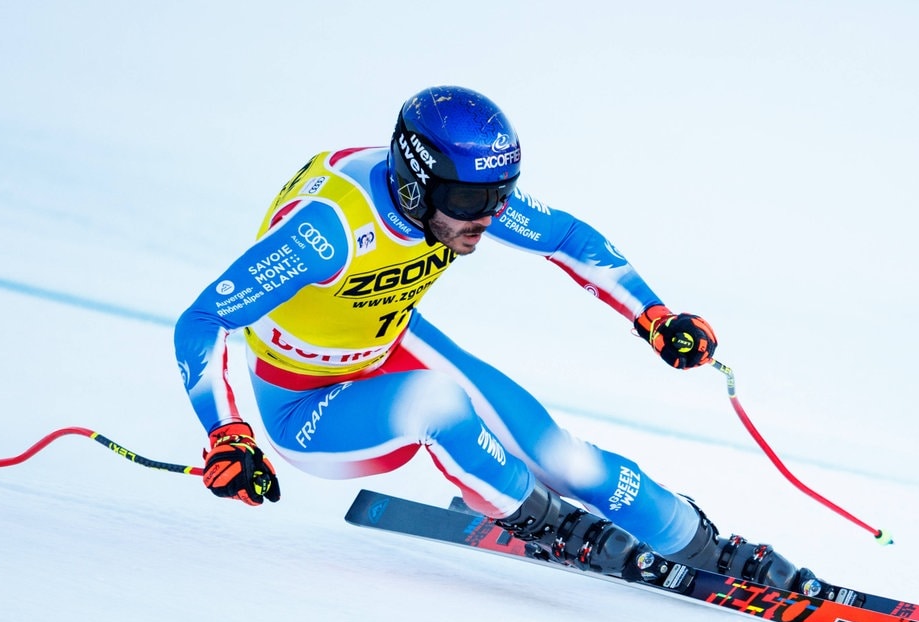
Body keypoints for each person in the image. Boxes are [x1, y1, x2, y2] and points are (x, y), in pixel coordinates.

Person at [174, 86, 818, 592]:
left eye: (497, 195)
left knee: (564, 457)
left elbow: (567, 237)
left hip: (388, 342)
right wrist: (228, 434)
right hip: (304, 406)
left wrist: (653, 315)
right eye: (466, 198)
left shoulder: (460, 194)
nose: (485, 216)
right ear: (414, 181)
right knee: (437, 403)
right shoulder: (327, 233)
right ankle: (545, 521)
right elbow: (203, 322)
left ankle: (703, 546)